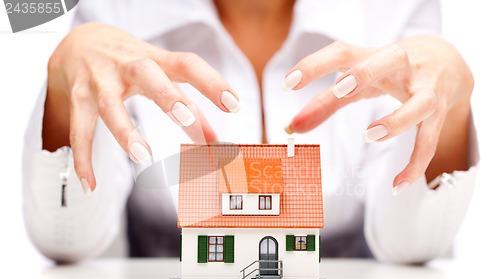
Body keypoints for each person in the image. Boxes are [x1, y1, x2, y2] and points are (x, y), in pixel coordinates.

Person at [22, 0, 478, 263]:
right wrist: (62, 91)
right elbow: (68, 241)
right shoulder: (111, 9)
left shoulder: (395, 8)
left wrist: (452, 110)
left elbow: (414, 245)